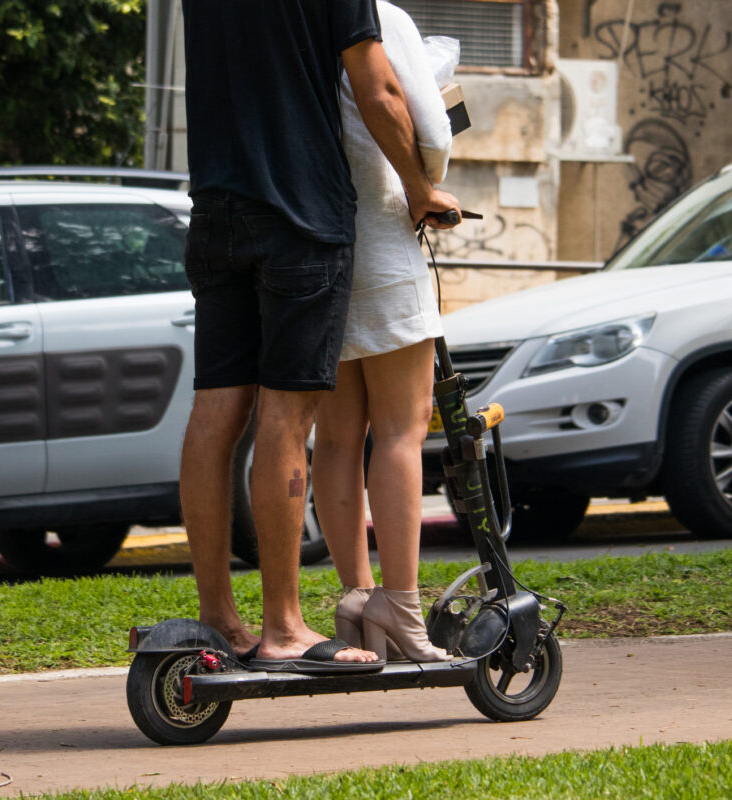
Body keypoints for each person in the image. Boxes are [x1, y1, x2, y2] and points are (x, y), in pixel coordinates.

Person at [178, 0, 459, 673]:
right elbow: (379, 88)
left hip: (216, 208)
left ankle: (218, 615)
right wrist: (420, 188)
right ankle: (282, 628)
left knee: (216, 410)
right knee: (285, 416)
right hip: (300, 217)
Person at [311, 1, 453, 663]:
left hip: (319, 239)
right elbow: (428, 127)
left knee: (337, 437)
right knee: (403, 427)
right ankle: (400, 601)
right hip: (383, 233)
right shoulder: (380, 14)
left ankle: (356, 595)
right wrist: (429, 184)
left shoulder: (290, 19)